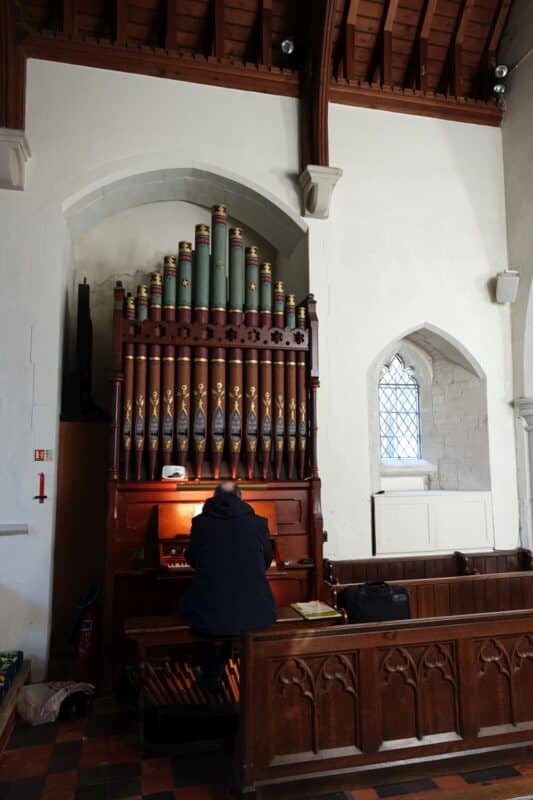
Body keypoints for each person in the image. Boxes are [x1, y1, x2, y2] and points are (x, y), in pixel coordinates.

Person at [180, 481, 277, 636]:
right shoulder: (258, 523)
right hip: (255, 612)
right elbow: (266, 560)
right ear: (240, 497)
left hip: (209, 612)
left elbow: (192, 559)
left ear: (215, 496)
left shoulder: (200, 523)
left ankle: (209, 651)